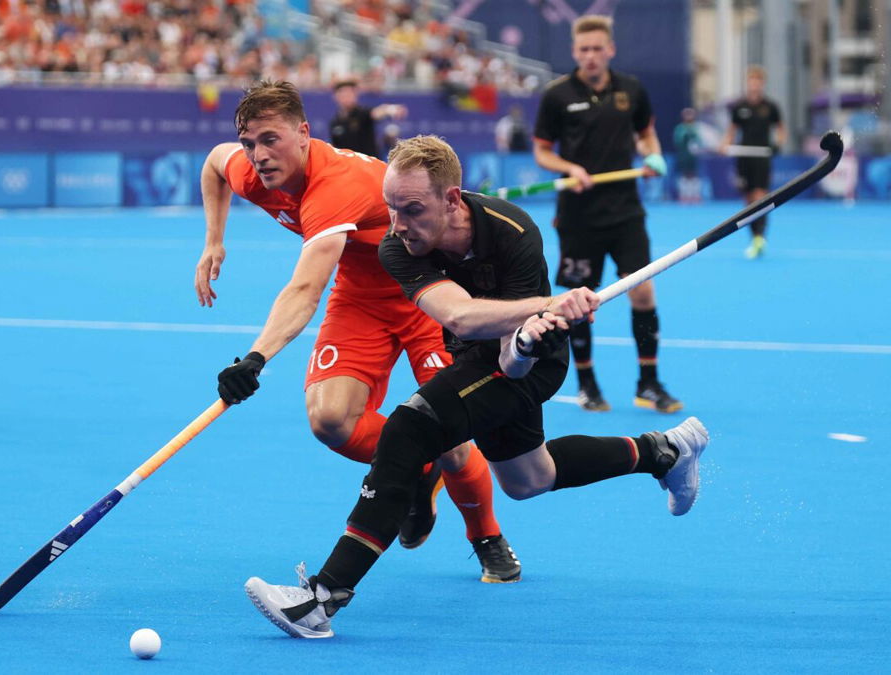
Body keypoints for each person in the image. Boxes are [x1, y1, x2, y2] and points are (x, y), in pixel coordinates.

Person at [243, 135, 711, 639]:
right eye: (391, 208)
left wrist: (530, 335)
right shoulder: (396, 246)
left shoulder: (513, 231)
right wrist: (541, 307)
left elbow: (513, 367)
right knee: (528, 479)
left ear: (452, 199)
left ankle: (323, 597)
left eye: (412, 209)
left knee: (409, 428)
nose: (399, 224)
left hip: (534, 363)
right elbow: (461, 318)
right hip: (476, 350)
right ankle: (663, 452)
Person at [197, 80, 521, 582]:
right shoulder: (249, 170)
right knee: (330, 420)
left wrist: (254, 358)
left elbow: (305, 289)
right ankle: (417, 465)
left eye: (271, 139)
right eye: (250, 143)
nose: (258, 155)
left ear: (304, 133)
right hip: (361, 296)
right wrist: (213, 241)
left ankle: (486, 537)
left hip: (427, 293)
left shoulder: (335, 186)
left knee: (455, 439)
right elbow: (214, 164)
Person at [531, 14, 682, 414]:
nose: (591, 56)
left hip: (626, 211)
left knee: (643, 290)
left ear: (610, 49)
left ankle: (648, 383)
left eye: (598, 48)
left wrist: (653, 154)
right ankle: (587, 384)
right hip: (578, 216)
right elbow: (542, 150)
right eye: (584, 50)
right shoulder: (557, 95)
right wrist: (570, 169)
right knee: (579, 301)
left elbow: (645, 133)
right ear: (574, 51)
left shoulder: (631, 90)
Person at [721, 66, 786, 259]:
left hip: (762, 158)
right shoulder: (739, 107)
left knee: (760, 197)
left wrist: (778, 144)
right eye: (751, 81)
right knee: (748, 200)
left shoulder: (771, 107)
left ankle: (760, 237)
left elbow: (781, 130)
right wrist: (724, 145)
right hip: (744, 158)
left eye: (757, 81)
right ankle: (754, 238)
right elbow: (731, 132)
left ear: (762, 84)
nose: (754, 85)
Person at [328, 79, 407, 160]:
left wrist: (391, 109)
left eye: (350, 93)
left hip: (369, 164)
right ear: (336, 96)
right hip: (348, 166)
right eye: (343, 93)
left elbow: (376, 113)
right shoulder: (334, 122)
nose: (347, 96)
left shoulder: (363, 113)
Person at [672, 107, 702, 203]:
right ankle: (684, 195)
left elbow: (700, 142)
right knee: (684, 175)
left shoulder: (696, 128)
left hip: (693, 157)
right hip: (683, 156)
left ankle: (695, 195)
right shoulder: (680, 128)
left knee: (694, 175)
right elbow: (677, 141)